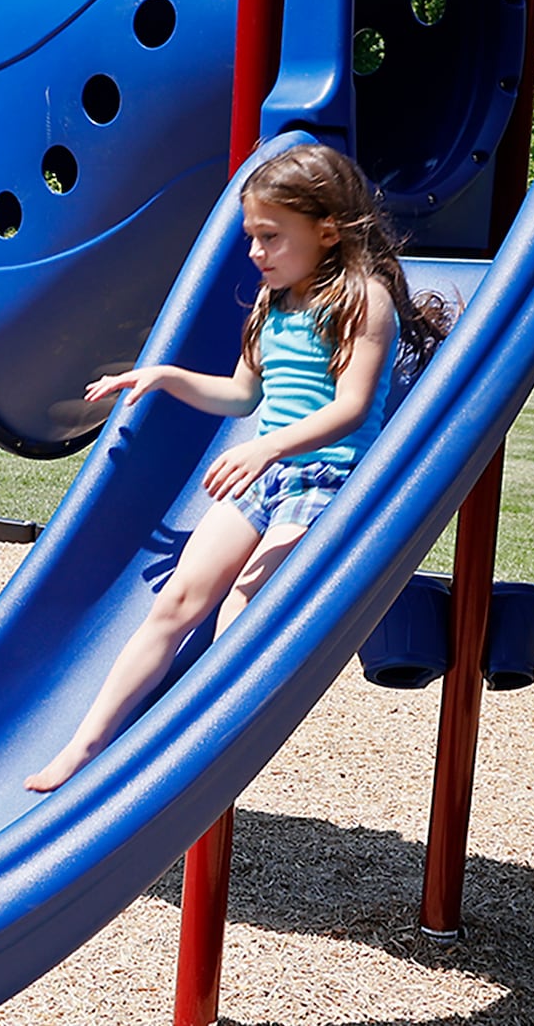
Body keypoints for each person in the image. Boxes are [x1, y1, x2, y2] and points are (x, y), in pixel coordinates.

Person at [25, 144, 451, 792]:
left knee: (246, 601)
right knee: (176, 601)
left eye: (271, 237)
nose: (257, 252)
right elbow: (241, 396)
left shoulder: (363, 300)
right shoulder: (270, 303)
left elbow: (352, 408)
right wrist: (165, 375)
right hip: (268, 477)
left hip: (327, 482)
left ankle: (202, 742)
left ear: (327, 230)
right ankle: (85, 746)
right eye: (253, 237)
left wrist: (265, 447)